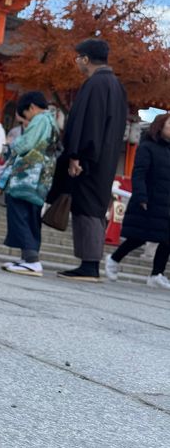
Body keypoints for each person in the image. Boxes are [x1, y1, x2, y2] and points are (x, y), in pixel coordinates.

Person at [47, 38, 128, 282]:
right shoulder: (116, 86)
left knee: (88, 208)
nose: (76, 61)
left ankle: (89, 264)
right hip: (106, 156)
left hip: (90, 158)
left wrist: (77, 155)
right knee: (93, 205)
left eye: (78, 57)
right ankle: (87, 263)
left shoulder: (95, 84)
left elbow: (88, 124)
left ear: (85, 58)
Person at [0, 91, 61, 276]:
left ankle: (32, 260)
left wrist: (10, 148)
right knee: (31, 217)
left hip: (28, 177)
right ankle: (28, 258)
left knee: (19, 213)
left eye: (25, 115)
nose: (26, 121)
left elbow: (26, 144)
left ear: (31, 107)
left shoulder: (40, 120)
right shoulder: (52, 122)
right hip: (41, 179)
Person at [105, 111, 170, 289]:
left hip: (166, 202)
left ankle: (157, 274)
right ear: (160, 126)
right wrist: (141, 196)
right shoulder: (147, 147)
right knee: (140, 237)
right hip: (150, 199)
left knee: (166, 239)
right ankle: (113, 258)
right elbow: (139, 174)